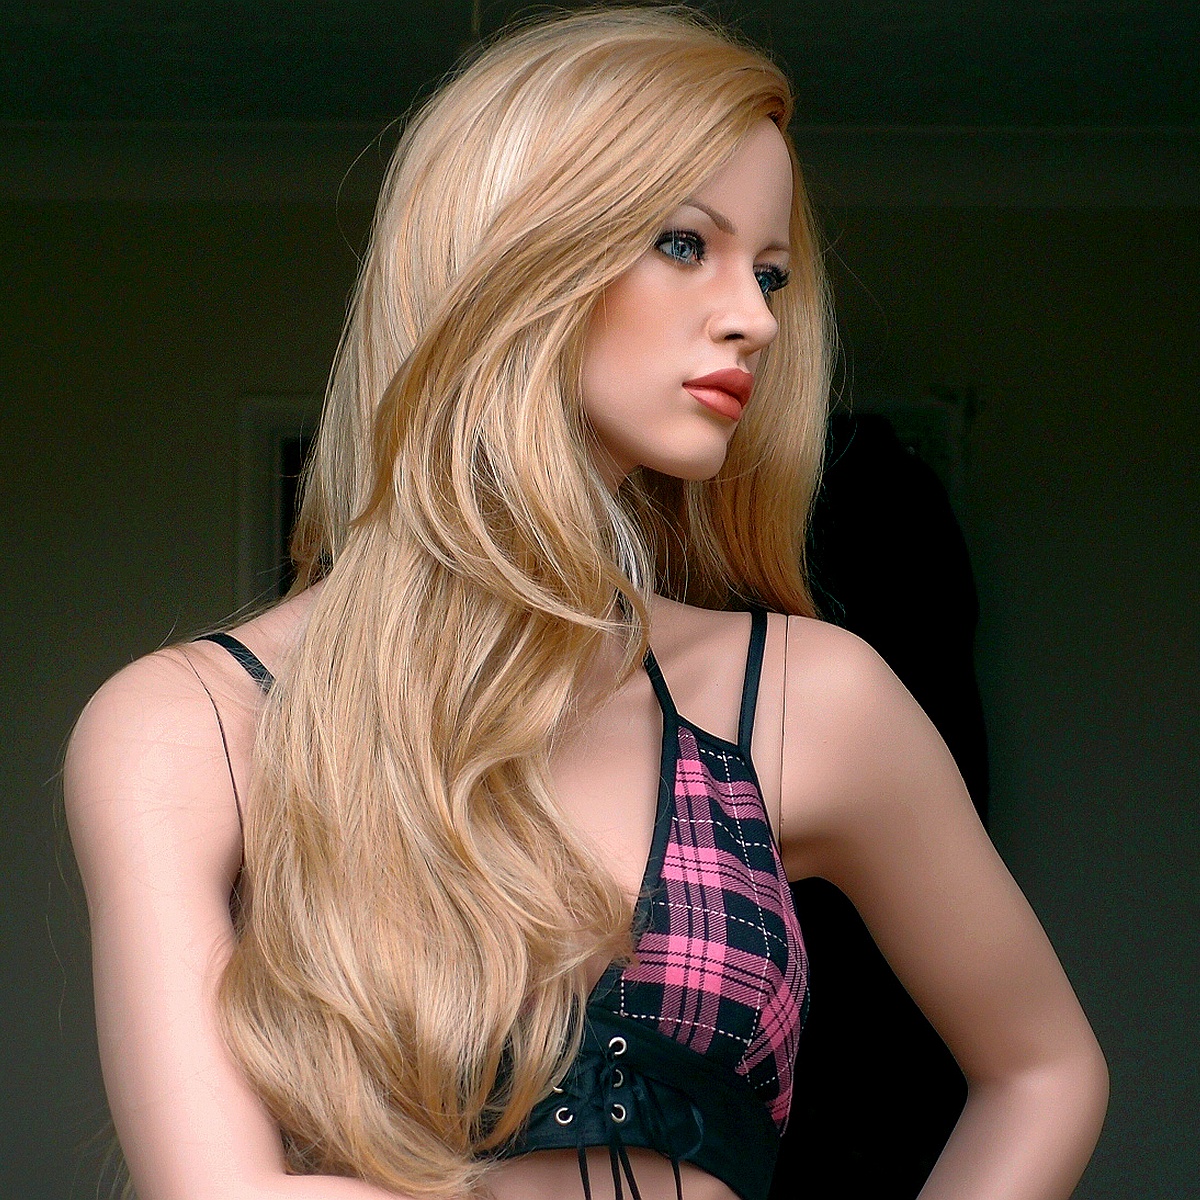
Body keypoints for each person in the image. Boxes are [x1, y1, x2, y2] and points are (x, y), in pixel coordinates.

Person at [63, 9, 1108, 1200]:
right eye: (685, 243)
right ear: (514, 250)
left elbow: (1044, 1070)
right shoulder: (187, 725)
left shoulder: (804, 697)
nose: (757, 318)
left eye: (769, 273)